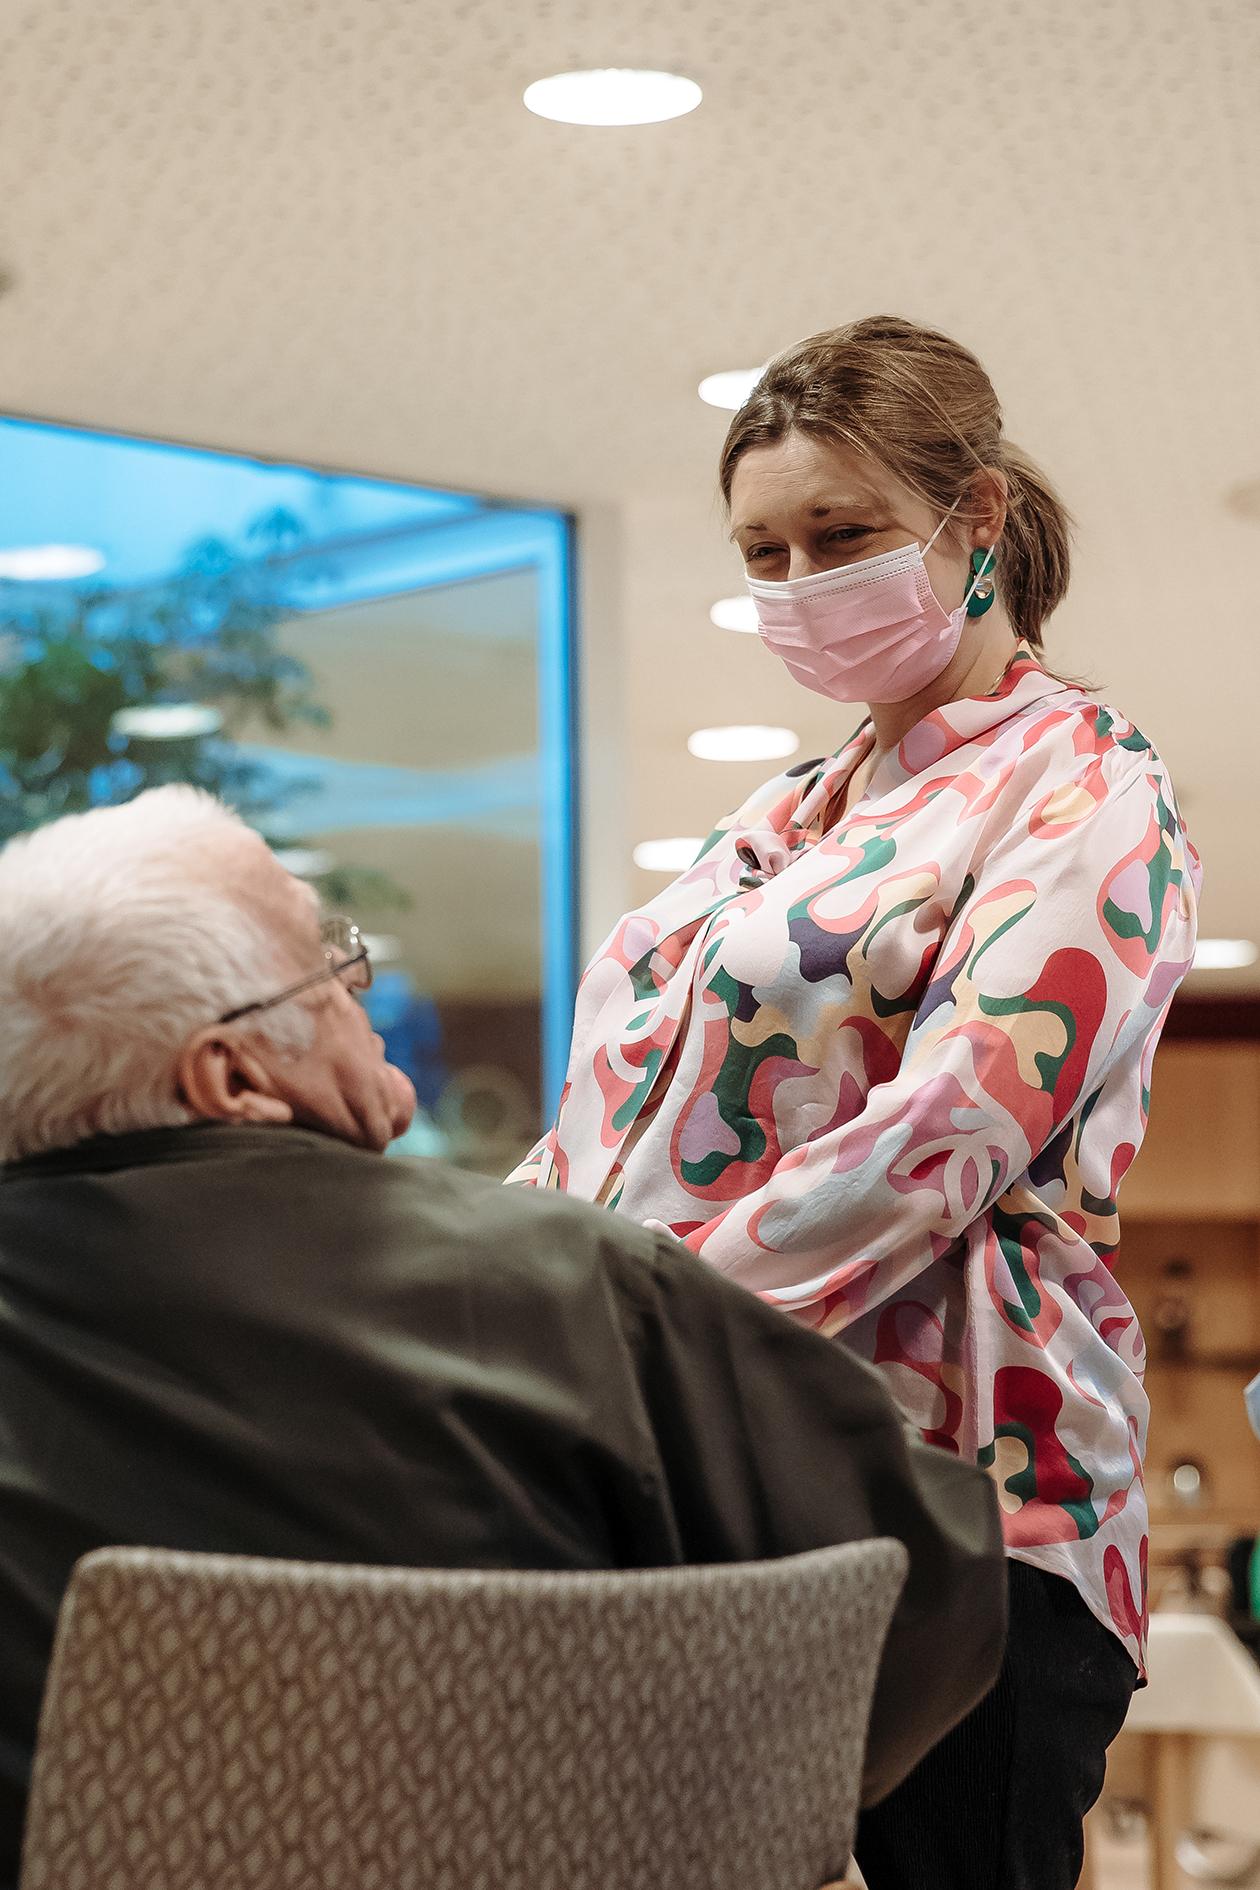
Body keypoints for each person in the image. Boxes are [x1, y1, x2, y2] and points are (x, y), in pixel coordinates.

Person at [0, 786, 1005, 1889]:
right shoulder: (576, 1294)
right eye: (327, 968)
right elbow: (919, 1591)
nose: (361, 994)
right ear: (232, 1077)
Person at [509, 315, 1202, 1890]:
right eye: (765, 547)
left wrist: (628, 1323)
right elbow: (607, 1123)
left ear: (977, 520)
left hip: (961, 1501)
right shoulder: (791, 813)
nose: (799, 579)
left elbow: (940, 1138)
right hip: (711, 1480)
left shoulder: (1084, 781)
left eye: (843, 533)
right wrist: (487, 1288)